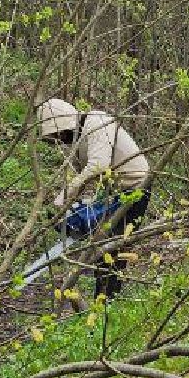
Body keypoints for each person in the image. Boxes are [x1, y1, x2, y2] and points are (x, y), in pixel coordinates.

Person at [34, 98, 152, 298]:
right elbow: (85, 176)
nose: (59, 139)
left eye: (58, 134)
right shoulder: (80, 140)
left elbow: (98, 166)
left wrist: (66, 194)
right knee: (102, 244)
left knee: (112, 247)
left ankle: (106, 302)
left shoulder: (97, 122)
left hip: (136, 188)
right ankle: (103, 299)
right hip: (114, 192)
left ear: (65, 125)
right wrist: (64, 210)